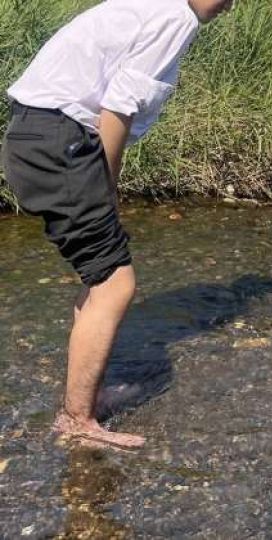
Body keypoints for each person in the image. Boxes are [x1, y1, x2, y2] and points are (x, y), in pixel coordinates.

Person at [1, 0, 233, 448]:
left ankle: (84, 398)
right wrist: (107, 187)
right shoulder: (174, 16)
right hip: (59, 141)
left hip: (35, 136)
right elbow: (117, 110)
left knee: (100, 276)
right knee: (115, 283)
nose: (230, 5)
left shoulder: (150, 6)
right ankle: (76, 421)